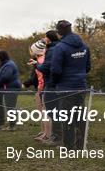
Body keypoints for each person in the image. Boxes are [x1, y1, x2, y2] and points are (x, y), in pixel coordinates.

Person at [51, 20, 91, 150]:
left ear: (59, 32)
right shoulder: (84, 46)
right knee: (80, 116)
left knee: (67, 117)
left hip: (65, 88)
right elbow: (88, 67)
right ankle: (80, 145)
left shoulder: (60, 47)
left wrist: (55, 83)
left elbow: (56, 70)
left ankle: (68, 146)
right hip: (81, 86)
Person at [35, 30, 60, 145]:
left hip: (49, 86)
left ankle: (49, 134)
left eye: (45, 37)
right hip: (51, 85)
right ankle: (48, 134)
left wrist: (36, 65)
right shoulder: (57, 49)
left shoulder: (50, 51)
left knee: (48, 112)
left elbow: (46, 69)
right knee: (48, 112)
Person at [25, 39, 52, 142]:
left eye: (31, 50)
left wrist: (40, 90)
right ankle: (44, 132)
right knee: (42, 112)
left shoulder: (41, 61)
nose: (30, 52)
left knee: (45, 112)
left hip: (44, 88)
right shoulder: (40, 59)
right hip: (42, 88)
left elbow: (41, 77)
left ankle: (47, 134)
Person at [0, 50, 22, 131]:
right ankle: (11, 123)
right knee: (10, 106)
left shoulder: (9, 65)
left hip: (11, 88)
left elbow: (5, 77)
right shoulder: (6, 64)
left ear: (1, 57)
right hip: (8, 88)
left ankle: (12, 125)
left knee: (10, 107)